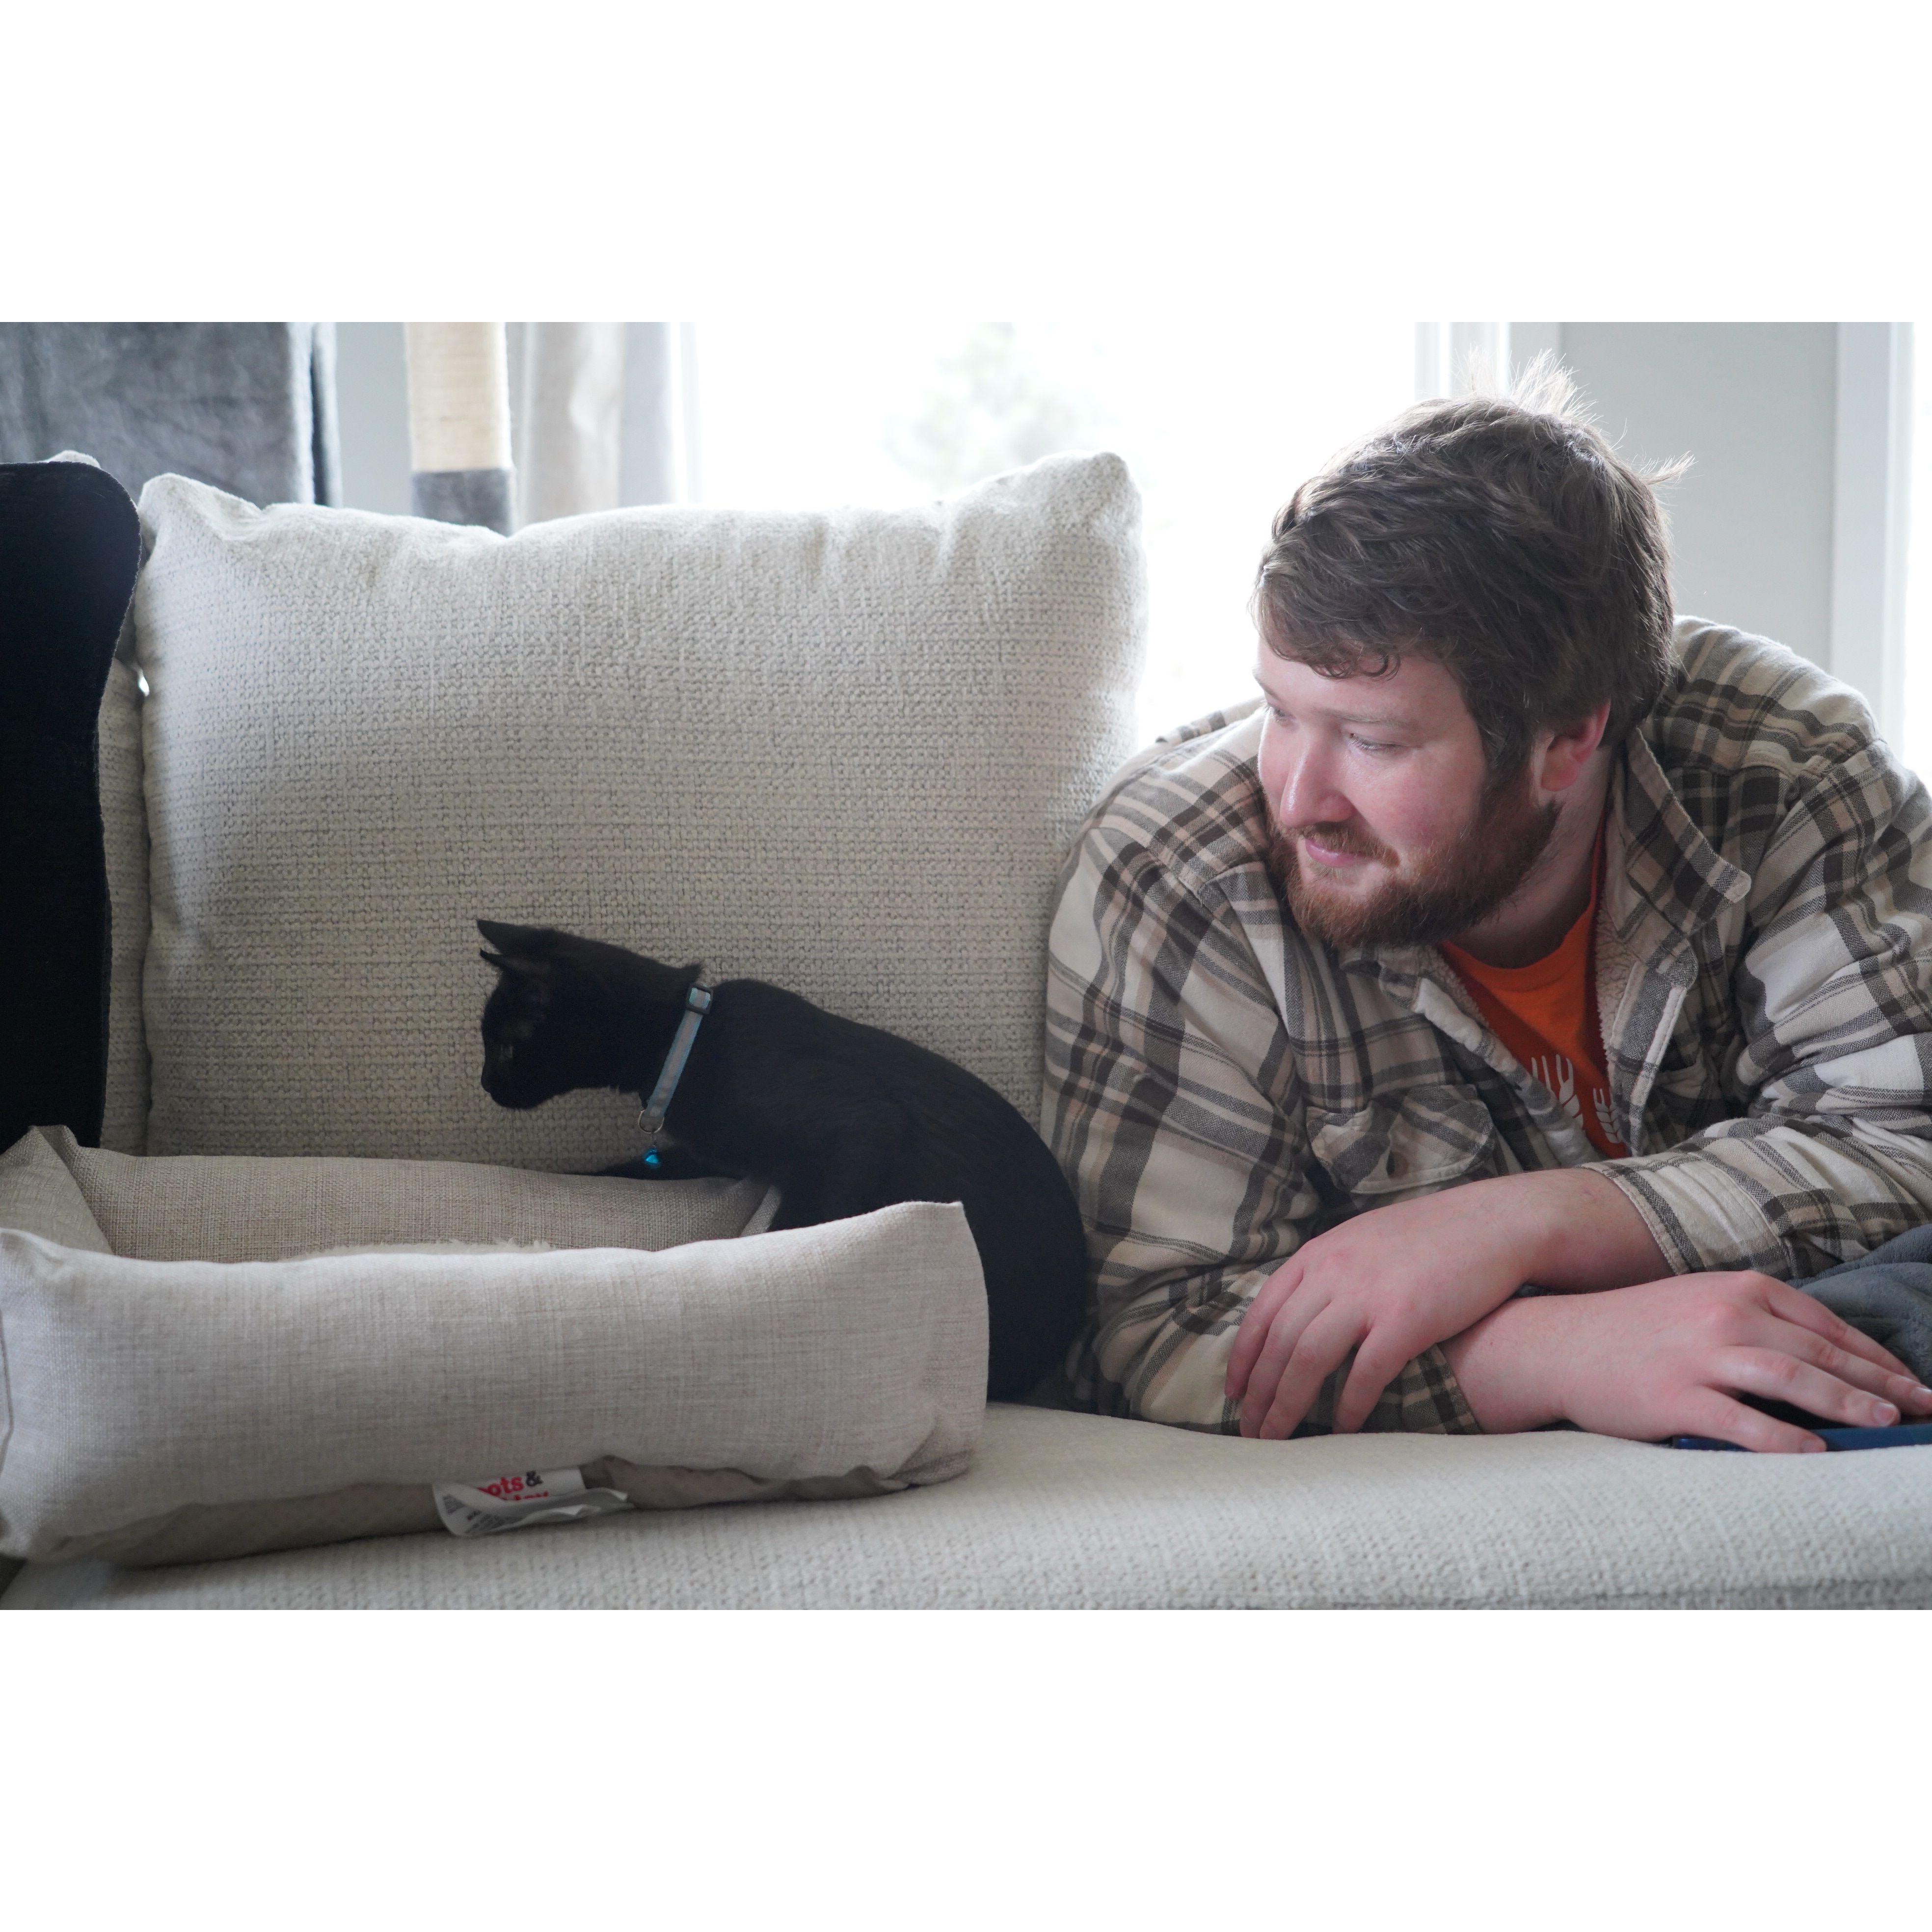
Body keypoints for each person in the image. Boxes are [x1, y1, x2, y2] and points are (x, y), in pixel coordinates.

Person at [1043, 367, 1932, 1453]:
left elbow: (1905, 1137)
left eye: (1374, 741)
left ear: (1569, 740)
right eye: (1281, 710)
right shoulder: (1181, 873)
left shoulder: (1779, 764)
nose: (1299, 797)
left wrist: (1527, 1223)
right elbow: (1150, 1327)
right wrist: (1552, 1353)